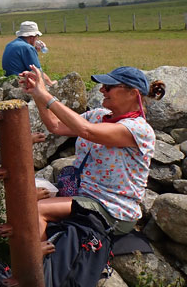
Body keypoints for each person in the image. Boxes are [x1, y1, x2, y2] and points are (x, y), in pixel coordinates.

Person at [19, 65, 165, 245]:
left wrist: (46, 96)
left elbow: (86, 130)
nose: (102, 89)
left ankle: (38, 267)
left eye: (109, 87)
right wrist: (36, 93)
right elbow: (56, 125)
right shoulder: (99, 115)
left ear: (132, 93)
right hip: (84, 194)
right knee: (25, 193)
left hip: (112, 209)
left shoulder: (139, 129)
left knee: (37, 209)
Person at [1, 21, 56, 86]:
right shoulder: (28, 48)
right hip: (18, 82)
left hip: (8, 80)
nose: (37, 38)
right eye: (37, 36)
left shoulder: (10, 44)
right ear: (32, 37)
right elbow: (38, 72)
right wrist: (51, 83)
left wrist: (34, 50)